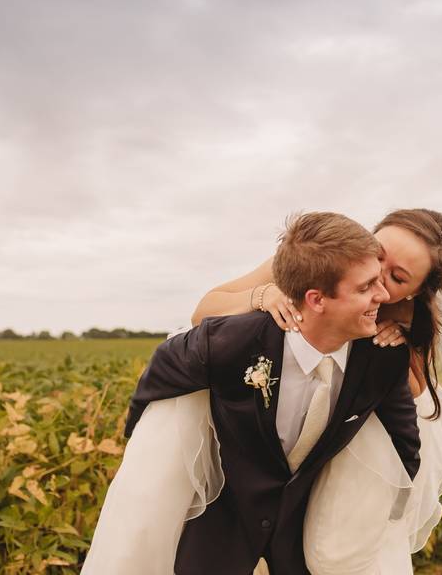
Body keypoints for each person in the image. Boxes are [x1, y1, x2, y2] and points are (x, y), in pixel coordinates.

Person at [193, 208, 442, 574]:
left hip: (348, 475)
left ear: (415, 293)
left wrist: (403, 345)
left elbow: (409, 426)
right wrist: (262, 295)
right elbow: (203, 311)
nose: (376, 278)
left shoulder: (401, 336)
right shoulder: (314, 263)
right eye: (377, 254)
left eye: (397, 278)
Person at [82, 212, 420, 575]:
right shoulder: (230, 342)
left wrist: (355, 520)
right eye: (366, 287)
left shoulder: (382, 360)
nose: (383, 296)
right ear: (316, 299)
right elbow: (160, 372)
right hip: (219, 536)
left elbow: (404, 450)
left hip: (307, 546)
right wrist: (147, 454)